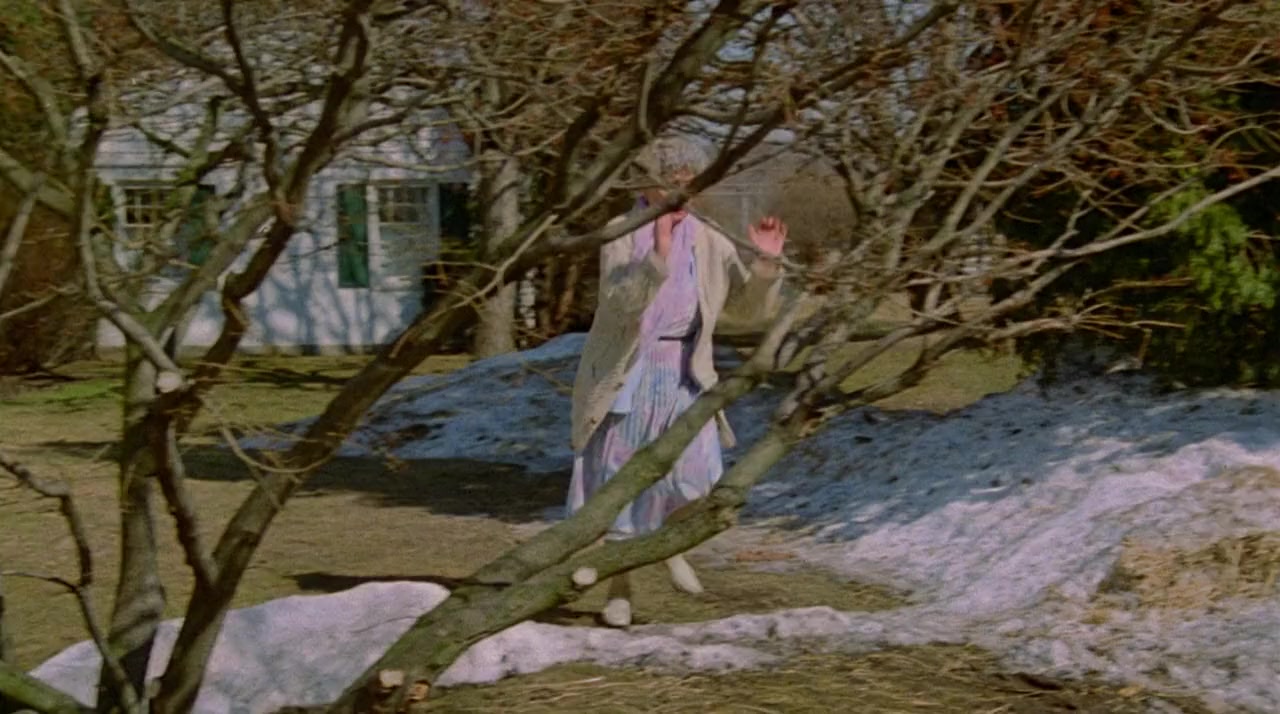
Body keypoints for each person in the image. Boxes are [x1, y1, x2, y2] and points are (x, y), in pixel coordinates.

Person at [567, 136, 787, 627]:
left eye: (692, 183)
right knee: (620, 485)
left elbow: (746, 312)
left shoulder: (708, 237)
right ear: (647, 185)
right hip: (629, 374)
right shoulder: (621, 232)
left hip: (686, 372)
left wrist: (766, 265)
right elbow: (621, 306)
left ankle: (668, 546)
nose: (683, 192)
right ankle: (620, 590)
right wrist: (659, 251)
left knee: (698, 477)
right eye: (672, 183)